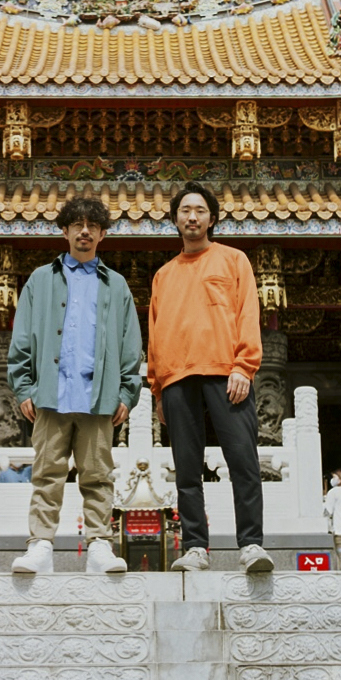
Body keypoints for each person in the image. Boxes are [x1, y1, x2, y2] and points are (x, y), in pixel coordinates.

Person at [7, 197, 142, 575]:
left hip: (99, 397)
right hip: (51, 395)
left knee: (98, 476)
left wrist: (127, 393)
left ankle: (99, 544)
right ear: (64, 231)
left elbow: (131, 344)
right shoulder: (40, 280)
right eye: (77, 225)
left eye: (92, 225)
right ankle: (41, 545)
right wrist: (24, 388)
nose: (85, 231)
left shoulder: (116, 285)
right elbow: (21, 338)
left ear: (102, 234)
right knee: (46, 473)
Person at [148, 181, 274, 574]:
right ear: (175, 220)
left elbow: (247, 313)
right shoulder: (163, 275)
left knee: (243, 461)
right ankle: (195, 547)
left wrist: (244, 366)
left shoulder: (234, 260)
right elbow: (154, 333)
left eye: (200, 210)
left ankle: (251, 544)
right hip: (176, 377)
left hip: (226, 373)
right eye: (185, 211)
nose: (192, 217)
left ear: (212, 218)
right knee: (187, 471)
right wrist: (157, 389)